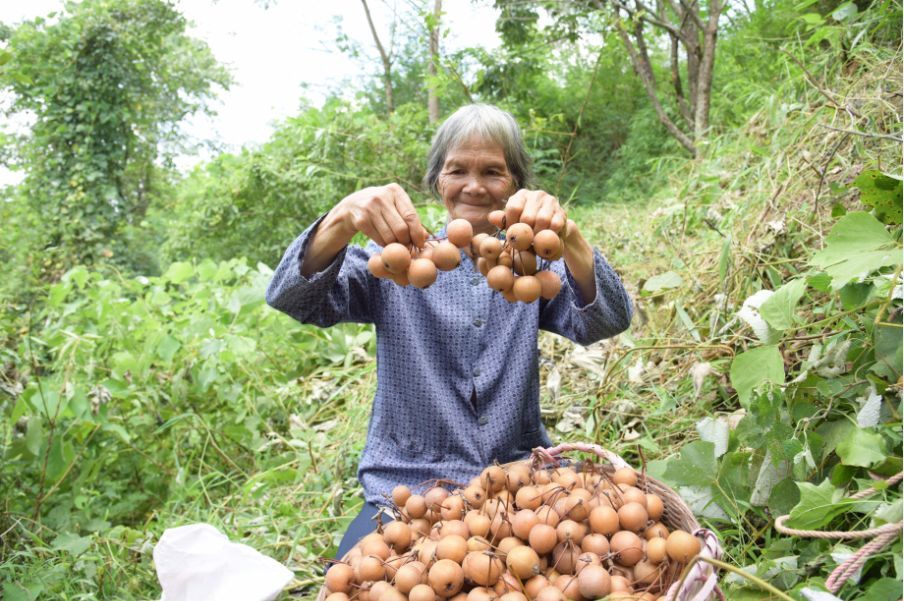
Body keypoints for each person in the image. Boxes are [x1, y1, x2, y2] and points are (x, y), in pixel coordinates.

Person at [265, 103, 632, 559]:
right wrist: (343, 217)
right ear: (438, 180)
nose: (474, 186)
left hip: (517, 486)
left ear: (515, 184)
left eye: (493, 172)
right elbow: (289, 296)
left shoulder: (529, 268)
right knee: (356, 580)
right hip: (406, 490)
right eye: (457, 169)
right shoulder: (395, 263)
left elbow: (609, 319)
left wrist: (569, 236)